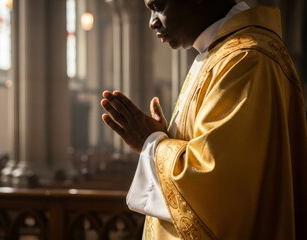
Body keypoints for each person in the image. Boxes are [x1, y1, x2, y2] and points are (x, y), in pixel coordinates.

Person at [100, 0, 307, 239]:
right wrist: (163, 138)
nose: (152, 22)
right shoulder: (221, 54)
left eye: (157, 6)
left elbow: (218, 183)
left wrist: (153, 143)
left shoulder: (246, 60)